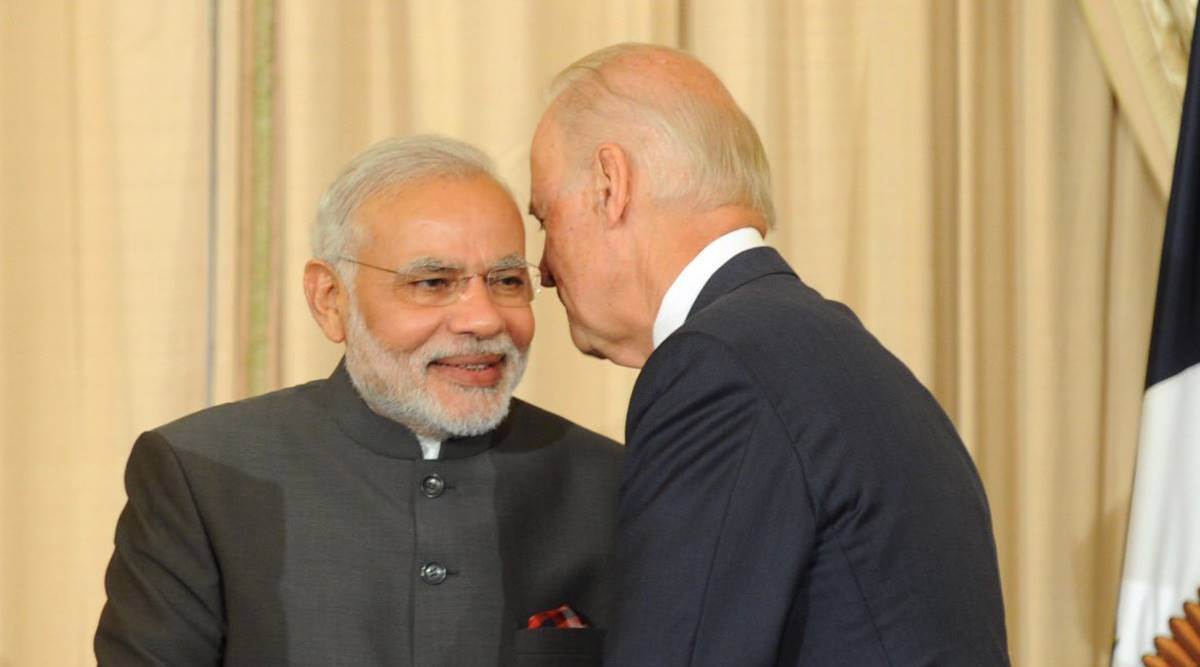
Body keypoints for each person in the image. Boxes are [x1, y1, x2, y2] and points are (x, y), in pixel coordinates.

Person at [528, 43, 1009, 665]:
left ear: (610, 184)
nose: (543, 269)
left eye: (546, 218)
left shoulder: (718, 369)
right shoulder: (833, 353)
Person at [96, 135, 622, 666]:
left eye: (506, 280)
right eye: (433, 282)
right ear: (330, 299)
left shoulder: (611, 482)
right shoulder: (202, 475)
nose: (484, 319)